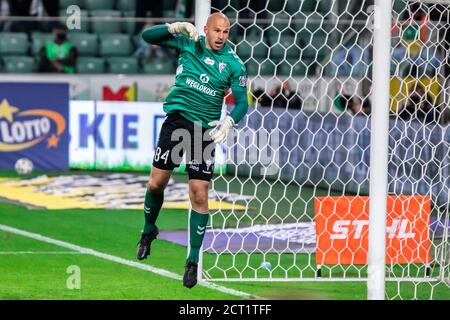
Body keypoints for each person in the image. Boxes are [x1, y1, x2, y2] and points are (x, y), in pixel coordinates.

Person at [136, 12, 248, 289]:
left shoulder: (234, 64)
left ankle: (192, 261)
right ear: (206, 29)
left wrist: (230, 120)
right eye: (217, 30)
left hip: (204, 130)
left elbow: (242, 102)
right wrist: (172, 26)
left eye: (226, 32)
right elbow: (146, 36)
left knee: (199, 193)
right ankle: (149, 230)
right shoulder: (188, 43)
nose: (221, 36)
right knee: (156, 183)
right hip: (177, 122)